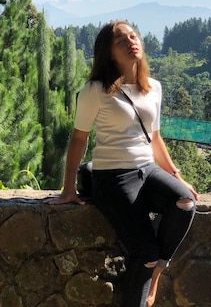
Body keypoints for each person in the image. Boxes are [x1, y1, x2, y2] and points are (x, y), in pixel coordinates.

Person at [48, 20, 198, 307]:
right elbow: (78, 139)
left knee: (186, 202)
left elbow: (154, 138)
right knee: (145, 253)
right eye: (121, 40)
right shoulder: (95, 90)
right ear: (108, 53)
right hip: (113, 177)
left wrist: (176, 175)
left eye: (133, 36)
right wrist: (68, 189)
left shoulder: (153, 87)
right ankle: (150, 273)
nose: (131, 41)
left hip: (148, 170)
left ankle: (157, 275)